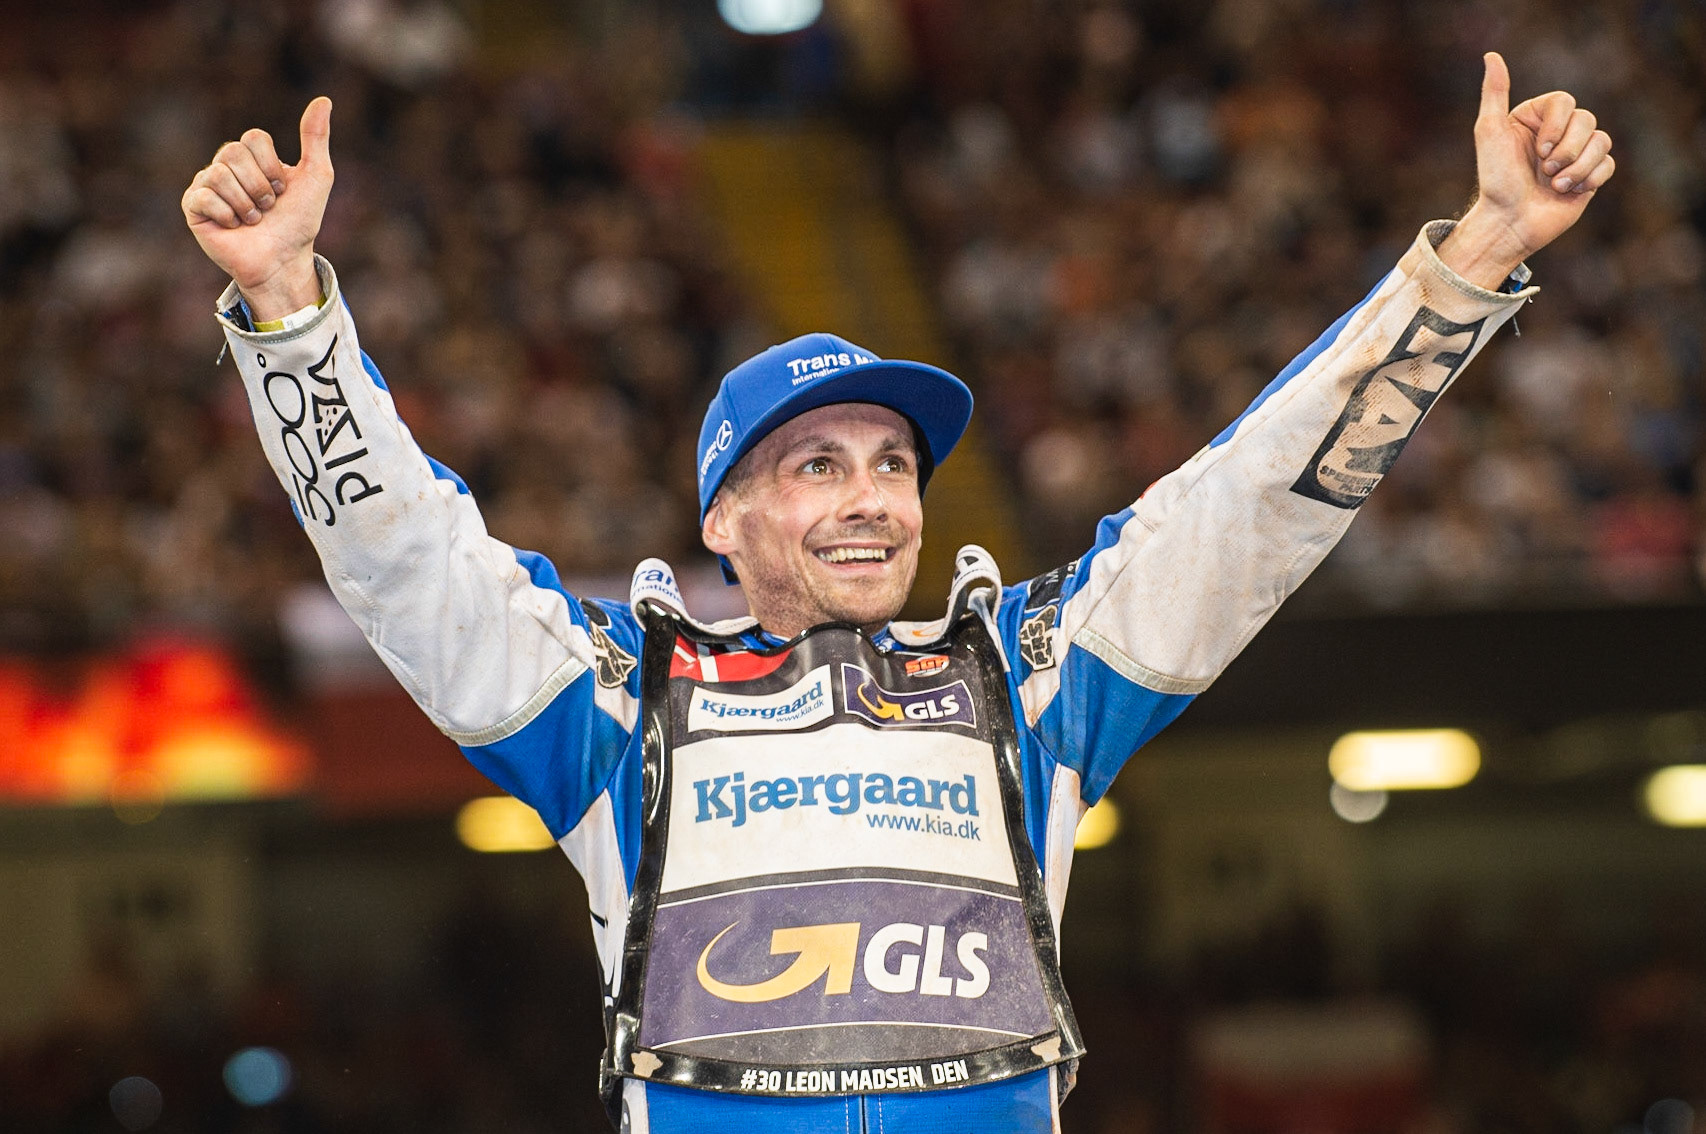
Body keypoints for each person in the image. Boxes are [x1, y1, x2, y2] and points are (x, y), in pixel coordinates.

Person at [183, 52, 1612, 1134]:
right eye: (814, 465)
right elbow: (404, 552)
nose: (871, 494)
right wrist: (290, 313)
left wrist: (1476, 254)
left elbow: (1256, 500)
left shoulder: (1034, 680)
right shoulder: (620, 704)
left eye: (891, 462)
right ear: (725, 521)